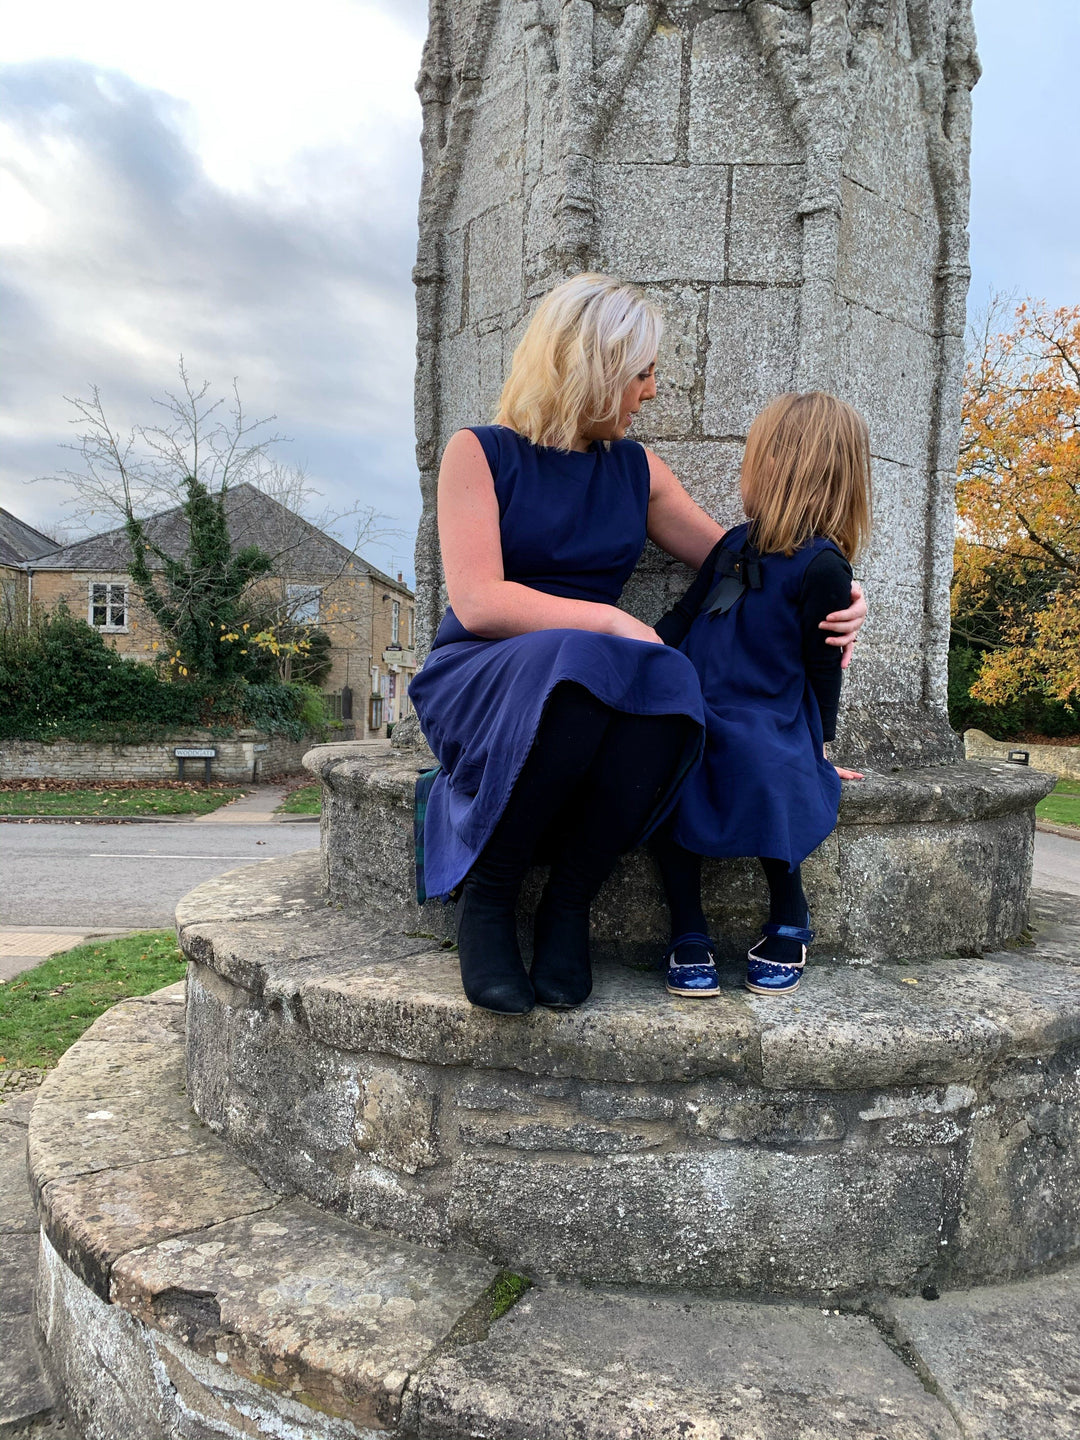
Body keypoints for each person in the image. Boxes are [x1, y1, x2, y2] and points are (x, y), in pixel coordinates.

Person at [408, 275, 867, 1016]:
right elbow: (480, 601)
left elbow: (747, 563)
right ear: (592, 369)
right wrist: (613, 623)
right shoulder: (478, 453)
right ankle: (489, 898)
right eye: (642, 373)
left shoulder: (637, 469)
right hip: (481, 674)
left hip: (583, 677)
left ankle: (569, 903)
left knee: (667, 685)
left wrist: (838, 588)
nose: (651, 392)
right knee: (600, 661)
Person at [650, 391, 872, 999]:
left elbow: (824, 666)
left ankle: (790, 910)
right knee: (666, 763)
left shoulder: (824, 567)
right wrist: (633, 651)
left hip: (767, 708)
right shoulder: (733, 544)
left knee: (772, 766)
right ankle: (687, 927)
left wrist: (818, 747)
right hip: (697, 696)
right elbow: (685, 615)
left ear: (780, 467)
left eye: (757, 456)